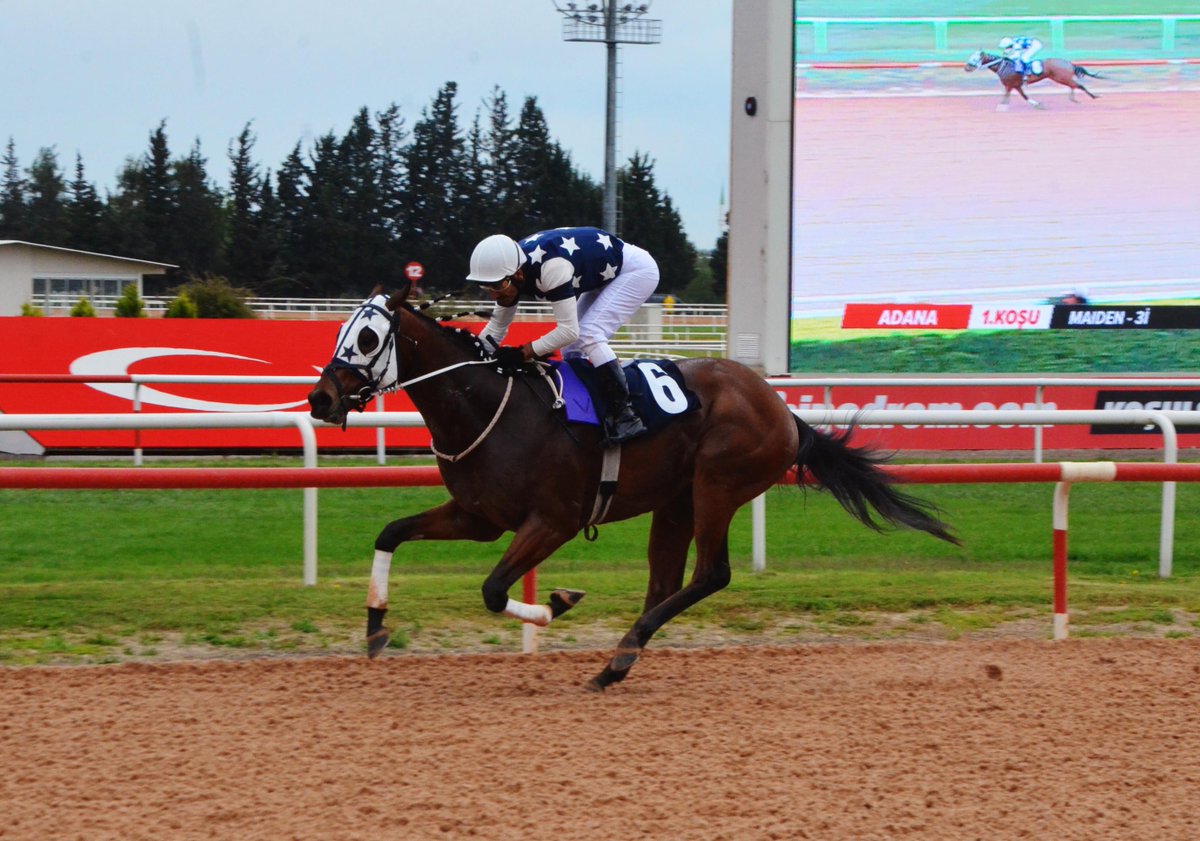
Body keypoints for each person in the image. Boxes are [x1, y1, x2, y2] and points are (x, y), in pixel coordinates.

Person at [466, 227, 660, 445]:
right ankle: (585, 410)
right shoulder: (511, 270)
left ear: (518, 274)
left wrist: (522, 353)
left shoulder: (551, 268)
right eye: (485, 287)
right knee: (571, 349)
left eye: (497, 285)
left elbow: (568, 331)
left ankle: (625, 415)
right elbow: (496, 327)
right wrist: (474, 359)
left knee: (588, 334)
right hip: (601, 273)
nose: (493, 293)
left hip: (635, 271)